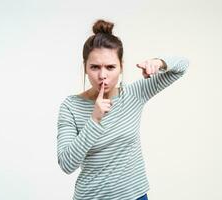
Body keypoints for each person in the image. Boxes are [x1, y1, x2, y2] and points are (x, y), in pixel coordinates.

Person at [57, 19, 189, 200]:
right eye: (95, 67)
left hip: (135, 196)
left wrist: (159, 63)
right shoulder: (70, 107)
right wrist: (94, 120)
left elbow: (182, 66)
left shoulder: (134, 94)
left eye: (110, 67)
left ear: (121, 67)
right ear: (85, 68)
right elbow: (66, 163)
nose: (102, 75)